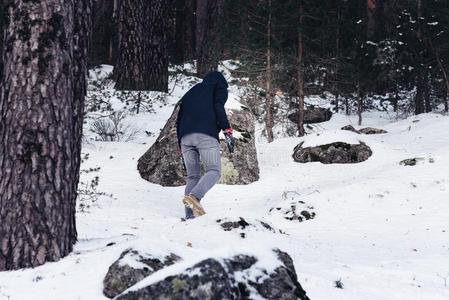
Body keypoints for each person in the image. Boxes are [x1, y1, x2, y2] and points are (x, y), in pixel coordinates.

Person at [176, 71, 234, 219]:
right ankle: (195, 196)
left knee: (193, 176)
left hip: (185, 138)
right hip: (206, 136)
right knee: (214, 171)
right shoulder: (218, 88)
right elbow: (218, 107)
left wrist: (179, 141)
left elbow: (179, 118)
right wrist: (227, 130)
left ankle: (190, 217)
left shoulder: (191, 92)